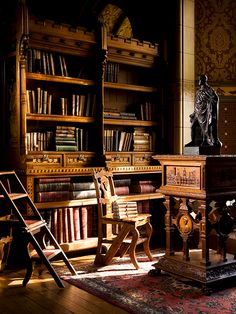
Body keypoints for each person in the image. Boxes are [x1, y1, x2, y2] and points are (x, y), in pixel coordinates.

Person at [187, 74, 222, 147]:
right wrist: (194, 112)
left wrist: (209, 106)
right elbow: (197, 103)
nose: (199, 81)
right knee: (193, 125)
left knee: (205, 128)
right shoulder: (199, 91)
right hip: (198, 112)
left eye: (200, 79)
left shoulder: (209, 89)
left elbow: (215, 99)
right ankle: (194, 141)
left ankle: (205, 141)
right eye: (199, 79)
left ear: (204, 80)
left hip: (205, 112)